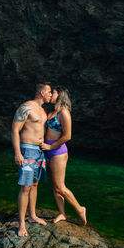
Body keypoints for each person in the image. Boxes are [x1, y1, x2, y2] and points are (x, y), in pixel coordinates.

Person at [40, 87, 87, 225]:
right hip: (48, 151)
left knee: (60, 186)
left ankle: (80, 209)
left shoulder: (64, 112)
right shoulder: (53, 111)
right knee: (55, 186)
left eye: (53, 92)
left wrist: (50, 147)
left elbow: (67, 136)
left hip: (58, 151)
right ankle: (62, 213)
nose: (50, 94)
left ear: (59, 94)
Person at [11, 82, 52, 237]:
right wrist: (17, 153)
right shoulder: (26, 107)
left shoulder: (43, 111)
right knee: (25, 187)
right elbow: (15, 130)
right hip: (27, 150)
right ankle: (21, 224)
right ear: (41, 92)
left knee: (35, 184)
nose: (50, 95)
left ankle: (32, 216)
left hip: (40, 152)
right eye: (48, 92)